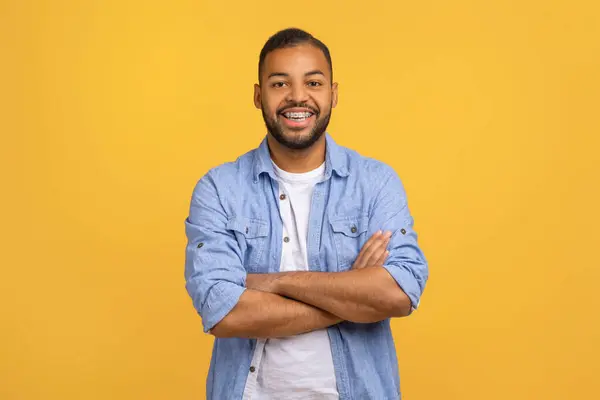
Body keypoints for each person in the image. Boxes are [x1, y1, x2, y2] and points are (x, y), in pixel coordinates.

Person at [184, 27, 429, 400]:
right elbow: (225, 313)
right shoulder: (220, 188)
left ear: (333, 93)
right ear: (257, 95)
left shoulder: (375, 183)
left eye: (313, 83)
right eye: (280, 84)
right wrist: (354, 295)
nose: (298, 97)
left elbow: (399, 292)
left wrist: (272, 282)